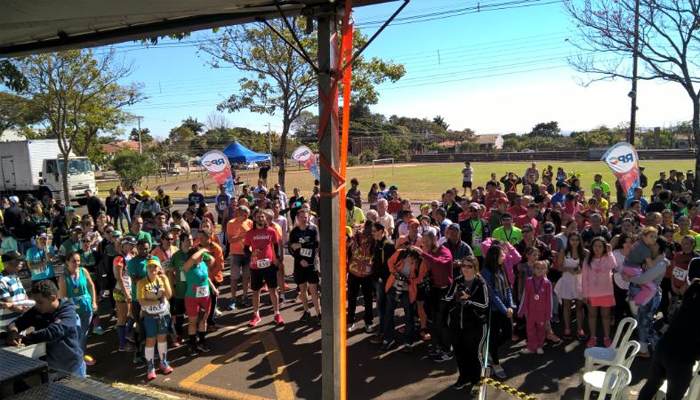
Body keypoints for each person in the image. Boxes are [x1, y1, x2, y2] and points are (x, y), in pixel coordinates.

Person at [637, 279, 700, 400]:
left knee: (651, 385)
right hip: (681, 358)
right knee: (674, 396)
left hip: (663, 348)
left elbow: (690, 288)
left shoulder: (688, 301)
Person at [7, 280, 84, 376]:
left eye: (40, 302)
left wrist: (27, 337)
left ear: (52, 298)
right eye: (35, 302)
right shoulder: (37, 310)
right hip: (50, 369)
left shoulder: (67, 312)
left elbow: (52, 333)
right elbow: (16, 322)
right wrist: (13, 332)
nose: (37, 306)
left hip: (72, 368)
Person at [443, 255, 488, 395]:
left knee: (474, 354)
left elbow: (485, 304)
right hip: (457, 324)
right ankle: (464, 377)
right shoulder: (457, 281)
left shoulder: (480, 283)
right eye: (463, 266)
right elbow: (447, 298)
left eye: (469, 266)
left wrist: (469, 299)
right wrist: (455, 293)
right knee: (459, 352)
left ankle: (477, 381)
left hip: (475, 325)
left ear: (475, 268)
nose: (466, 269)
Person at [413, 230, 453, 362]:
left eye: (427, 241)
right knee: (435, 321)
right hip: (435, 290)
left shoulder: (444, 251)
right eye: (423, 242)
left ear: (435, 239)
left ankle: (447, 350)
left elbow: (439, 263)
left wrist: (423, 253)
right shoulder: (429, 252)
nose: (425, 244)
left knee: (442, 322)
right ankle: (438, 346)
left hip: (445, 290)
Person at [480, 241, 515, 379]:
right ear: (495, 256)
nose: (504, 257)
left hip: (505, 309)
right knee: (493, 337)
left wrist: (511, 305)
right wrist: (504, 309)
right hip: (494, 311)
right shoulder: (486, 272)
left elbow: (508, 288)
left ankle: (488, 351)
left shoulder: (501, 269)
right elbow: (492, 295)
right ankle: (495, 364)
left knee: (507, 334)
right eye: (502, 255)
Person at [381, 246, 426, 352]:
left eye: (414, 259)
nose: (412, 260)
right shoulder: (400, 253)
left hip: (408, 290)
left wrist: (410, 281)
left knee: (409, 315)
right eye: (411, 258)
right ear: (408, 254)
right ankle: (388, 338)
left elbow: (421, 278)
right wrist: (395, 273)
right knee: (388, 313)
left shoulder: (421, 262)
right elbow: (390, 262)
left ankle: (408, 341)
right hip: (394, 286)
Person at [58, 251, 98, 366]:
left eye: (78, 260)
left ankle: (80, 356)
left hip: (86, 306)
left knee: (84, 333)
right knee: (76, 332)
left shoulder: (83, 271)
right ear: (67, 262)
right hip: (73, 308)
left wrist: (94, 301)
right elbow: (63, 296)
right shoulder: (63, 277)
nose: (77, 263)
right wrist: (69, 309)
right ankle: (74, 356)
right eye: (74, 261)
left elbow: (91, 286)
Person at [136, 258, 174, 380]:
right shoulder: (141, 283)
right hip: (150, 316)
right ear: (147, 268)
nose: (153, 269)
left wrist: (164, 278)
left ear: (159, 268)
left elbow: (169, 295)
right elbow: (142, 301)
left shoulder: (162, 279)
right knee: (150, 340)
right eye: (150, 267)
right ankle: (150, 367)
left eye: (155, 267)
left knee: (162, 338)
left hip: (163, 314)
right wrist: (157, 299)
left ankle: (163, 362)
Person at [245, 209, 283, 327]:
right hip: (255, 266)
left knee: (273, 289)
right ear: (254, 218)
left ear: (265, 218)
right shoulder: (250, 233)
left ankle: (277, 314)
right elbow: (246, 249)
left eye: (262, 217)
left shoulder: (271, 231)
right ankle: (256, 314)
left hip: (269, 265)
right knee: (256, 291)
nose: (261, 219)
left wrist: (277, 259)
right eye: (258, 217)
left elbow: (276, 246)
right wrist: (252, 254)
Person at [182, 245, 217, 356]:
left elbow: (212, 260)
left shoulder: (203, 264)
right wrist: (201, 250)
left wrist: (214, 288)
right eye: (200, 255)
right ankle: (192, 345)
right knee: (193, 322)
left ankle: (201, 342)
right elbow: (192, 259)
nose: (202, 257)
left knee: (203, 320)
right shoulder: (187, 266)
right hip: (192, 298)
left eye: (203, 256)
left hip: (205, 297)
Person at [582, 237, 616, 348]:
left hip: (606, 292)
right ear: (591, 247)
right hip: (592, 293)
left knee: (606, 316)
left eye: (600, 246)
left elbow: (613, 265)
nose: (597, 248)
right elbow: (584, 278)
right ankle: (593, 337)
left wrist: (610, 252)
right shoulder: (587, 260)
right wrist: (585, 294)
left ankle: (607, 337)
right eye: (595, 245)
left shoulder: (608, 257)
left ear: (604, 248)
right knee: (592, 315)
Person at [289, 209, 321, 324]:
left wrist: (300, 245)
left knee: (314, 290)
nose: (304, 219)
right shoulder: (294, 232)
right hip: (299, 264)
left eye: (306, 217)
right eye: (302, 217)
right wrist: (300, 259)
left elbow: (316, 244)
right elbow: (291, 248)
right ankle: (306, 311)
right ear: (297, 218)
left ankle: (319, 313)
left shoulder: (313, 229)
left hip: (311, 264)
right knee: (302, 290)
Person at [517, 260, 553, 354]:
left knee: (541, 329)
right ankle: (531, 347)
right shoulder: (529, 281)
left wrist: (549, 314)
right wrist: (521, 311)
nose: (540, 270)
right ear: (533, 270)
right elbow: (525, 297)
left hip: (542, 311)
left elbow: (549, 300)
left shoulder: (547, 283)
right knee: (530, 329)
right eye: (537, 268)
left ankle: (539, 346)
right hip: (530, 311)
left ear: (546, 270)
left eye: (542, 268)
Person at [369, 222, 395, 343]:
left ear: (381, 231)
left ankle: (385, 333)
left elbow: (388, 266)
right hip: (378, 280)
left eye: (374, 231)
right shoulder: (379, 243)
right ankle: (383, 330)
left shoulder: (388, 245)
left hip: (383, 281)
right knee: (381, 307)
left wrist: (379, 277)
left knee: (382, 307)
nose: (372, 233)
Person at [347, 221, 375, 333]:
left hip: (367, 274)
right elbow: (347, 247)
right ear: (366, 227)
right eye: (369, 229)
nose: (370, 232)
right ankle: (350, 321)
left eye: (372, 230)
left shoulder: (374, 240)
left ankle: (368, 322)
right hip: (354, 273)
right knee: (352, 298)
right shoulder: (356, 236)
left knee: (368, 299)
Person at [227, 206, 253, 310]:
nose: (246, 217)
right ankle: (233, 298)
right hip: (236, 253)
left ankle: (245, 296)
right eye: (244, 215)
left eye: (247, 215)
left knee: (246, 276)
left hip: (248, 253)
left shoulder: (250, 223)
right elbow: (230, 240)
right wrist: (240, 237)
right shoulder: (231, 223)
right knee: (234, 277)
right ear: (239, 213)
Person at [113, 235, 136, 352]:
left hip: (130, 289)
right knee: (123, 317)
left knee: (132, 314)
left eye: (133, 244)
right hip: (122, 291)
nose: (132, 246)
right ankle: (122, 344)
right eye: (130, 244)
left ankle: (128, 333)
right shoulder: (119, 258)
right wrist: (126, 293)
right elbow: (119, 278)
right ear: (124, 244)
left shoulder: (130, 255)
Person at [0, 252, 29, 336]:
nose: (21, 262)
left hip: (20, 320)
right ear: (8, 263)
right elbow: (7, 302)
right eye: (18, 261)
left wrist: (26, 304)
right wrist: (22, 310)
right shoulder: (2, 281)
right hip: (9, 325)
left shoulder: (15, 277)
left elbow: (24, 294)